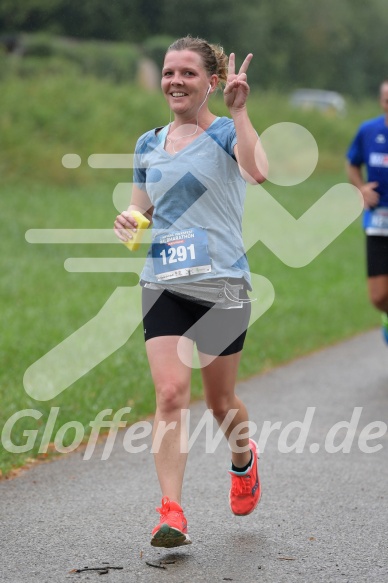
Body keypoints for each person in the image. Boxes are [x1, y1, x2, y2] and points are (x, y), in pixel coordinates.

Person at [114, 35, 268, 548]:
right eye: (168, 73)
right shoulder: (148, 142)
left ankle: (243, 460)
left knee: (219, 400)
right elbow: (145, 209)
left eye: (187, 74)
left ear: (211, 82)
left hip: (223, 284)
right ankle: (172, 512)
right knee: (170, 394)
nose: (175, 82)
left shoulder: (225, 133)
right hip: (164, 283)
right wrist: (130, 220)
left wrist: (241, 114)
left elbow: (257, 171)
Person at [346, 80, 388, 344]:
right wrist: (360, 188)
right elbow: (352, 163)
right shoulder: (369, 131)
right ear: (382, 101)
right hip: (378, 221)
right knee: (378, 296)